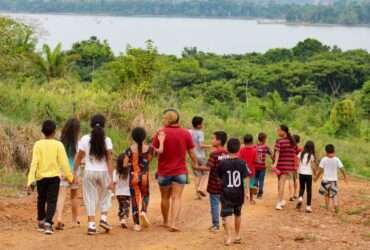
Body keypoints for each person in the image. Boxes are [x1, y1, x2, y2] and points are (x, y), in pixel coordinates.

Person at [152, 109, 198, 232]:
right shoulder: (185, 133)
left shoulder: (160, 133)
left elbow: (154, 152)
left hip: (164, 172)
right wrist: (195, 163)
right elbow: (192, 152)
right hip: (180, 172)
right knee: (176, 197)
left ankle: (166, 221)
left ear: (167, 119)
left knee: (165, 198)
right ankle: (174, 223)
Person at [27, 120, 73, 235]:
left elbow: (34, 163)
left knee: (41, 199)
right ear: (54, 131)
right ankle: (48, 223)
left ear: (43, 132)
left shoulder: (38, 144)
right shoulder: (58, 145)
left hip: (40, 177)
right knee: (52, 200)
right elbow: (64, 163)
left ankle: (41, 221)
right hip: (54, 178)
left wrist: (30, 180)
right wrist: (70, 177)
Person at [73, 114, 114, 235]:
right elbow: (109, 159)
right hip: (104, 172)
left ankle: (91, 224)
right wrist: (111, 178)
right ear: (104, 125)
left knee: (90, 197)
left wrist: (74, 171)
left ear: (91, 124)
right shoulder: (107, 140)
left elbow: (79, 157)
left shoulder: (85, 139)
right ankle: (103, 218)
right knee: (106, 194)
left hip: (89, 171)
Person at [123, 127, 165, 232]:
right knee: (145, 195)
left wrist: (131, 165)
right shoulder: (150, 148)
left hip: (133, 177)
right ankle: (143, 211)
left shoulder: (129, 149)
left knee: (135, 199)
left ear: (133, 137)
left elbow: (124, 164)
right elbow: (160, 151)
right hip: (145, 176)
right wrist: (161, 141)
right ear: (144, 137)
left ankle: (137, 224)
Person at [217, 138, 250, 246]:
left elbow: (219, 178)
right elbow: (245, 178)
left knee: (226, 215)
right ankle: (237, 235)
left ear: (227, 148)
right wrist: (247, 192)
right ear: (239, 149)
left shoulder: (222, 163)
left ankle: (228, 237)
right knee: (237, 214)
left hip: (226, 192)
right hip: (238, 193)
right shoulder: (242, 163)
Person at [55, 118, 81, 230]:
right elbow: (78, 158)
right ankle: (75, 220)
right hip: (74, 172)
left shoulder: (60, 142)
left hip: (62, 171)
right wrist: (74, 173)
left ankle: (59, 218)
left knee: (61, 196)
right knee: (74, 196)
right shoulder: (78, 143)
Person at [206, 131, 228, 232]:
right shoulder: (228, 154)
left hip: (214, 185)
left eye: (213, 138)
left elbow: (208, 167)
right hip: (225, 185)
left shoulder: (214, 154)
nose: (212, 140)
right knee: (224, 204)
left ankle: (216, 225)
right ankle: (225, 223)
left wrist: (196, 167)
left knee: (215, 205)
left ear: (219, 141)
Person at [315, 144, 348, 214]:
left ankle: (327, 208)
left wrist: (316, 178)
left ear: (326, 151)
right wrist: (345, 177)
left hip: (325, 180)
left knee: (326, 194)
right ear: (334, 151)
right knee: (334, 194)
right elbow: (342, 169)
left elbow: (320, 170)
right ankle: (335, 205)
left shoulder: (324, 159)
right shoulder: (337, 159)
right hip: (333, 180)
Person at [272, 124, 298, 210]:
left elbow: (277, 153)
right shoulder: (292, 141)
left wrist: (275, 164)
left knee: (281, 183)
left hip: (280, 166)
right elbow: (295, 152)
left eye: (279, 130)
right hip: (288, 166)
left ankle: (279, 202)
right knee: (280, 183)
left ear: (284, 131)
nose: (278, 132)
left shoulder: (279, 141)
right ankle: (281, 200)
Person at [190, 116, 211, 200]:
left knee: (197, 175)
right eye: (202, 123)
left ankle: (197, 195)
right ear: (199, 125)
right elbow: (201, 145)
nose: (203, 124)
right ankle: (201, 188)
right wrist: (211, 146)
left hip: (192, 155)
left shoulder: (189, 131)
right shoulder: (200, 133)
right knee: (207, 172)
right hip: (201, 156)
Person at [296, 141, 317, 213]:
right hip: (308, 174)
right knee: (309, 190)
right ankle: (308, 206)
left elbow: (297, 163)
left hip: (301, 173)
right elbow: (313, 166)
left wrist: (297, 170)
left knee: (302, 187)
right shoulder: (311, 155)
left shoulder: (300, 153)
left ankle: (300, 198)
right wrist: (315, 173)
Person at [238, 134, 257, 204]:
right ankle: (251, 199)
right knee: (251, 185)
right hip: (251, 171)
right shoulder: (254, 150)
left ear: (244, 141)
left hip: (242, 171)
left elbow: (239, 159)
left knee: (243, 185)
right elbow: (255, 160)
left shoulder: (241, 150)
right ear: (252, 141)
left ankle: (242, 199)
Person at [113, 153, 131, 229]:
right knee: (126, 207)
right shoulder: (129, 171)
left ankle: (121, 218)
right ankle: (124, 219)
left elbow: (114, 182)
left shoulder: (115, 172)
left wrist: (112, 193)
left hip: (118, 193)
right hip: (127, 193)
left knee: (121, 206)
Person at [255, 132, 272, 199]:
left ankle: (255, 186)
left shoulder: (255, 146)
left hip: (255, 166)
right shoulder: (266, 147)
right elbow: (271, 154)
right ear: (264, 139)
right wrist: (273, 160)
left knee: (255, 178)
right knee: (261, 180)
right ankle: (260, 193)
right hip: (262, 166)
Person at [288, 134, 302, 201]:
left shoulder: (289, 146)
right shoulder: (297, 147)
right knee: (295, 179)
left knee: (290, 179)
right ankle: (295, 193)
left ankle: (290, 195)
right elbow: (300, 151)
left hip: (289, 163)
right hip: (295, 164)